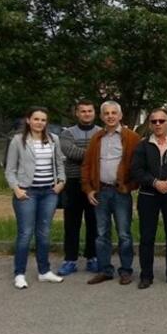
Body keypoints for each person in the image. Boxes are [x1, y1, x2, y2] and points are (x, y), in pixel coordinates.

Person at [5, 107, 66, 289]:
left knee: (44, 233)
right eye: (36, 119)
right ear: (28, 120)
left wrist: (61, 182)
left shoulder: (53, 139)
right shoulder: (18, 141)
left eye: (43, 120)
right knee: (25, 234)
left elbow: (59, 164)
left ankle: (44, 271)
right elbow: (10, 170)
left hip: (49, 193)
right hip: (27, 193)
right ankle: (20, 273)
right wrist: (16, 189)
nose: (40, 122)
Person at [130, 108, 167, 288]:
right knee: (147, 237)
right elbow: (137, 170)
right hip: (148, 195)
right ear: (150, 124)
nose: (158, 124)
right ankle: (146, 276)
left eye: (161, 121)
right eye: (154, 121)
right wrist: (155, 182)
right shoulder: (142, 145)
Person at [83, 101, 141, 285]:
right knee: (101, 234)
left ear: (120, 115)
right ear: (102, 117)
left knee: (124, 233)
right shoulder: (96, 138)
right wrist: (88, 188)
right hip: (101, 191)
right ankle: (105, 270)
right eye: (106, 113)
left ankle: (126, 270)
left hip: (121, 192)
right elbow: (87, 165)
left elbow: (138, 165)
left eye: (114, 113)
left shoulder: (131, 137)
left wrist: (130, 186)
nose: (110, 116)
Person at [58, 100, 101, 275]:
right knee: (71, 224)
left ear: (94, 113)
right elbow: (70, 152)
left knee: (94, 223)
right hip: (73, 182)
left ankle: (92, 258)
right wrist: (94, 154)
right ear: (77, 113)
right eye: (82, 111)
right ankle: (70, 260)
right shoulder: (67, 133)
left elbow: (104, 153)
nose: (86, 114)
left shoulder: (101, 132)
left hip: (95, 183)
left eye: (89, 111)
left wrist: (89, 154)